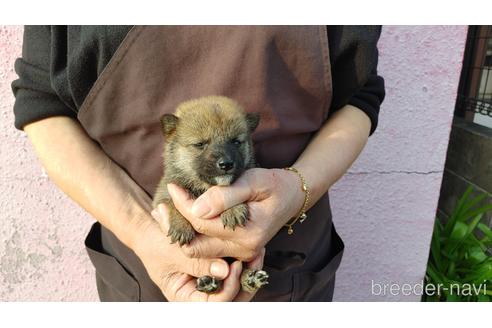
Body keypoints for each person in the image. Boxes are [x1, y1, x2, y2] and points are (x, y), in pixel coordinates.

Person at [12, 26, 385, 301]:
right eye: (201, 145)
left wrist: (296, 189)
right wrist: (144, 234)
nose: (222, 160)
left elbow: (361, 93)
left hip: (289, 261)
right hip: (141, 274)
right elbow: (42, 103)